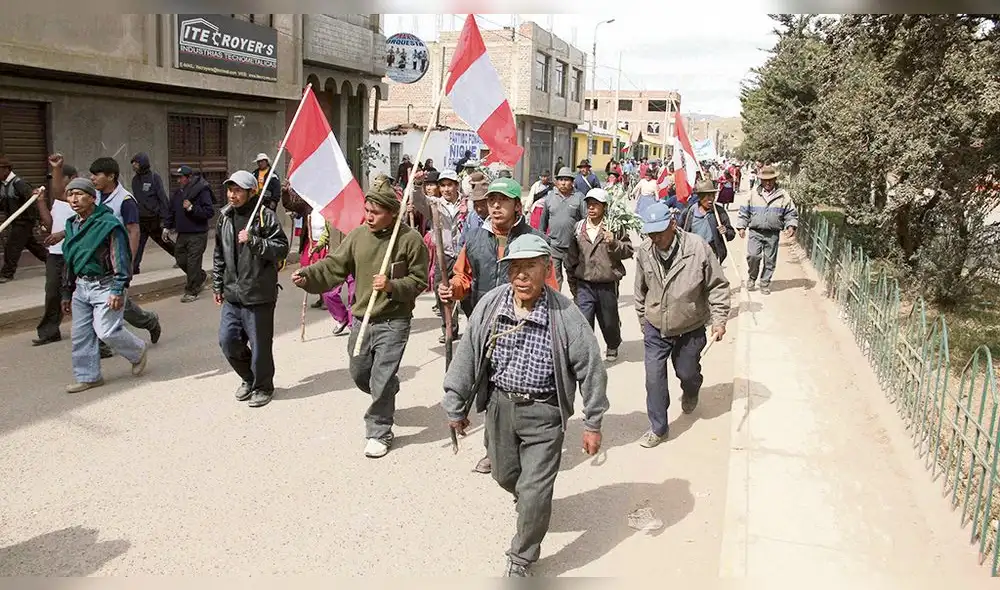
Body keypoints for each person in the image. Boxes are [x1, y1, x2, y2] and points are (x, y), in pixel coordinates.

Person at [442, 233, 609, 577]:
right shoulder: (491, 305)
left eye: (529, 266)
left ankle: (521, 557)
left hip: (544, 413)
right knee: (505, 474)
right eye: (514, 267)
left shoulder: (565, 314)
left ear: (546, 269)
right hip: (500, 408)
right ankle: (532, 503)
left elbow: (591, 368)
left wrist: (593, 422)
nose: (521, 275)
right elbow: (467, 357)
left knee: (534, 490)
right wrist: (455, 405)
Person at [291, 176, 429, 458]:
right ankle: (387, 388)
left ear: (392, 213)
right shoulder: (358, 236)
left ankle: (379, 430)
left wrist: (392, 286)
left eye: (376, 213)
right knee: (359, 372)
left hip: (394, 320)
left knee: (381, 376)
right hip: (362, 318)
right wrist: (308, 277)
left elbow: (419, 281)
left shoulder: (409, 241)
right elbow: (334, 266)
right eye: (367, 210)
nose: (369, 217)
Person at [438, 178, 559, 475]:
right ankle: (494, 448)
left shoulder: (533, 240)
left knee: (515, 391)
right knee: (490, 392)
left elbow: (552, 284)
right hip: (486, 327)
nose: (494, 206)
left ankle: (525, 447)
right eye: (491, 200)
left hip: (525, 328)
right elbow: (462, 278)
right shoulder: (476, 239)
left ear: (517, 205)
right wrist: (451, 291)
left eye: (502, 200)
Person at [634, 202, 730, 448]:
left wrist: (719, 319)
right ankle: (658, 428)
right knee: (653, 380)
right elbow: (640, 290)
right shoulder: (645, 251)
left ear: (673, 225)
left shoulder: (697, 247)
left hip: (689, 326)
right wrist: (644, 321)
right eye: (650, 233)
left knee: (686, 372)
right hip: (656, 327)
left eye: (660, 232)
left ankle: (691, 390)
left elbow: (717, 285)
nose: (655, 238)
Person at [61, 177, 149, 393]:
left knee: (106, 331)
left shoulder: (108, 224)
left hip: (106, 285)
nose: (74, 199)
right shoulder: (71, 224)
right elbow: (69, 259)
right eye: (70, 194)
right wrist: (66, 292)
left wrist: (118, 288)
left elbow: (120, 257)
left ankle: (137, 351)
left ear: (92, 198)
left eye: (79, 194)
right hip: (81, 286)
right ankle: (88, 376)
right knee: (80, 335)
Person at [213, 170, 290, 408]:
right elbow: (219, 255)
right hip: (232, 294)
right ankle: (249, 378)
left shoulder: (264, 217)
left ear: (250, 192)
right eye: (230, 190)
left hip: (258, 293)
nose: (232, 195)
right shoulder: (224, 218)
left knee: (260, 347)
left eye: (237, 191)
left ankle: (263, 386)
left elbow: (281, 248)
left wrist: (254, 241)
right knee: (228, 340)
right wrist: (217, 284)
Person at [86, 157, 163, 344]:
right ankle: (101, 344)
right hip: (96, 260)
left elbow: (133, 231)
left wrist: (128, 262)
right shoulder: (92, 197)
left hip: (115, 259)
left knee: (117, 304)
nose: (92, 178)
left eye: (97, 174)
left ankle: (149, 321)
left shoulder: (125, 200)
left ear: (111, 176)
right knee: (103, 303)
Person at [566, 188, 633, 361]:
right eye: (589, 204)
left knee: (609, 321)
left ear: (605, 207)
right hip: (585, 284)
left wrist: (614, 243)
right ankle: (587, 354)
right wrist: (573, 284)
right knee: (584, 321)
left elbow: (628, 251)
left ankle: (613, 344)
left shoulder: (614, 227)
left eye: (596, 204)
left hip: (607, 284)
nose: (591, 208)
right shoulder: (578, 228)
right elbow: (572, 258)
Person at [33, 161, 80, 346]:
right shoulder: (59, 203)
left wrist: (56, 167)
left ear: (72, 179)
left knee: (86, 292)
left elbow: (83, 226)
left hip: (76, 253)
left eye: (57, 180)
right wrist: (40, 201)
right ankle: (49, 332)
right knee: (52, 292)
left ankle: (115, 323)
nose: (54, 185)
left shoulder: (81, 199)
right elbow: (50, 224)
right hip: (55, 254)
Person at [735, 165, 798, 295]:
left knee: (770, 260)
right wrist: (741, 226)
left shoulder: (783, 196)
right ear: (761, 180)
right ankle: (752, 277)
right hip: (755, 232)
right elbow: (744, 212)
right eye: (765, 180)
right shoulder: (753, 194)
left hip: (772, 234)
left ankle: (765, 283)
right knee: (753, 256)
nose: (768, 183)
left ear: (775, 179)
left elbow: (791, 213)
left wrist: (791, 226)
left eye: (770, 180)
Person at [164, 165, 214, 302]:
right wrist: (166, 227)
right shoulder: (178, 193)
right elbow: (171, 211)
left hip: (198, 234)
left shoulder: (201, 190)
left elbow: (209, 212)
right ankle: (201, 277)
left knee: (193, 263)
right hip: (183, 233)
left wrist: (192, 208)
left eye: (181, 177)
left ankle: (192, 291)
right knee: (180, 259)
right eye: (177, 178)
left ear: (189, 178)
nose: (179, 180)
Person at [430, 169, 466, 344]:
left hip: (463, 254)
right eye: (442, 185)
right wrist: (416, 185)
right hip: (443, 255)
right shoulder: (435, 204)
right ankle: (449, 330)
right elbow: (420, 201)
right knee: (442, 294)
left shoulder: (467, 203)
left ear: (456, 185)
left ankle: (474, 329)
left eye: (449, 185)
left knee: (466, 293)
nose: (446, 189)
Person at [0, 155, 47, 282]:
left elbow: (32, 201)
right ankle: (52, 260)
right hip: (14, 221)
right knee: (32, 245)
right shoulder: (4, 185)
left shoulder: (19, 183)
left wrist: (39, 219)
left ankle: (7, 273)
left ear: (6, 169)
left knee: (12, 246)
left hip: (24, 221)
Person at [539, 167, 587, 289]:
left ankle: (578, 305)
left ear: (572, 182)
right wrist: (543, 240)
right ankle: (557, 305)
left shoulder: (579, 197)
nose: (563, 183)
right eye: (561, 180)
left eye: (567, 180)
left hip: (572, 247)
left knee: (573, 279)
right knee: (555, 279)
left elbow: (586, 221)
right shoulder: (550, 197)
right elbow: (543, 223)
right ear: (556, 181)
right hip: (554, 246)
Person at [129, 152, 173, 274]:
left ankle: (182, 259)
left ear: (143, 163)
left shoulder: (154, 177)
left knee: (165, 241)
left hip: (154, 219)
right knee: (137, 245)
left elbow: (162, 198)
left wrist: (165, 219)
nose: (134, 166)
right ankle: (134, 267)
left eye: (136, 163)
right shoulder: (135, 180)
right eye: (133, 163)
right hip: (141, 219)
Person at [679, 179, 736, 263]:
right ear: (700, 197)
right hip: (693, 253)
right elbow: (679, 231)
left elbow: (731, 234)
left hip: (712, 253)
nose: (711, 199)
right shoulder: (689, 212)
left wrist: (725, 231)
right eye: (708, 196)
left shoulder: (719, 212)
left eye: (713, 195)